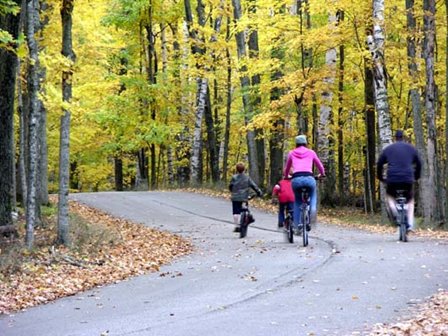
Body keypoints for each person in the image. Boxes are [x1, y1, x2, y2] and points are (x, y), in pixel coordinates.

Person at [376, 130, 422, 231]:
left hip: (392, 179)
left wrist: (381, 178)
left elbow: (379, 164)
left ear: (394, 138)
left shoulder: (388, 149)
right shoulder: (411, 148)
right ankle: (410, 223)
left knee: (390, 196)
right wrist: (416, 176)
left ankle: (395, 212)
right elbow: (419, 163)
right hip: (407, 178)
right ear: (403, 137)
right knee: (410, 200)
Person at [283, 135, 325, 233]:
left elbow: (287, 169)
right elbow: (320, 166)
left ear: (296, 144)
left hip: (296, 179)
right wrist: (322, 174)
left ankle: (298, 224)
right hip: (309, 178)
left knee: (297, 202)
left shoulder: (291, 153)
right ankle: (313, 209)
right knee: (312, 193)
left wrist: (286, 176)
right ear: (305, 143)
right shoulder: (311, 152)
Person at [229, 162, 263, 232]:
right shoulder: (247, 178)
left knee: (235, 212)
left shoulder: (234, 177)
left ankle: (237, 226)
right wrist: (259, 192)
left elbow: (230, 186)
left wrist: (232, 191)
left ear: (237, 169)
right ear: (244, 169)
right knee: (245, 209)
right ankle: (248, 218)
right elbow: (254, 186)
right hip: (244, 198)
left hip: (235, 197)